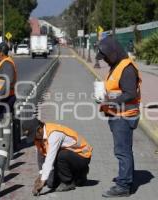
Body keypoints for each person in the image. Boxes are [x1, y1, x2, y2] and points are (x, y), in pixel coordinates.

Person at [96, 36, 141, 198]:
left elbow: (130, 94)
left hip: (124, 116)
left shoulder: (127, 68)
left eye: (106, 56)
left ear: (113, 53)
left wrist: (110, 100)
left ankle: (123, 186)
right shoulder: (117, 66)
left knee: (122, 151)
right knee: (125, 150)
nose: (105, 60)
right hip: (117, 114)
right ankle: (127, 180)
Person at [23, 119, 92, 196]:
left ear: (39, 129)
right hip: (70, 155)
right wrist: (41, 175)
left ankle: (68, 182)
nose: (34, 138)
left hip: (82, 155)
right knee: (51, 183)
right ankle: (78, 177)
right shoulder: (38, 138)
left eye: (33, 135)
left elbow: (50, 159)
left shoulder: (54, 134)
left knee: (61, 155)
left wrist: (42, 181)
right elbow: (41, 156)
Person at [0, 41, 17, 122]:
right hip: (4, 98)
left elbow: (9, 80)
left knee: (6, 125)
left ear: (1, 53)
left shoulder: (7, 63)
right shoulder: (2, 63)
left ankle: (11, 134)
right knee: (6, 124)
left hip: (6, 99)